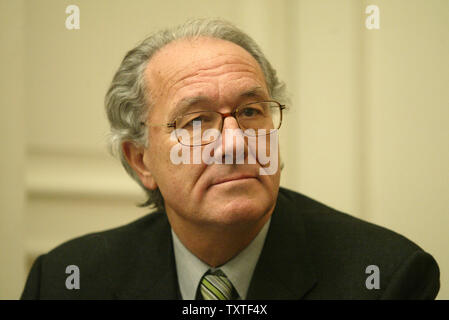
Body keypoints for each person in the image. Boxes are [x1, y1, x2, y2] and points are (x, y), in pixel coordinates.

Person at [21, 18, 439, 300]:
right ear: (141, 160)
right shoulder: (66, 280)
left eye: (251, 112)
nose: (235, 143)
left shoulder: (385, 278)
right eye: (198, 120)